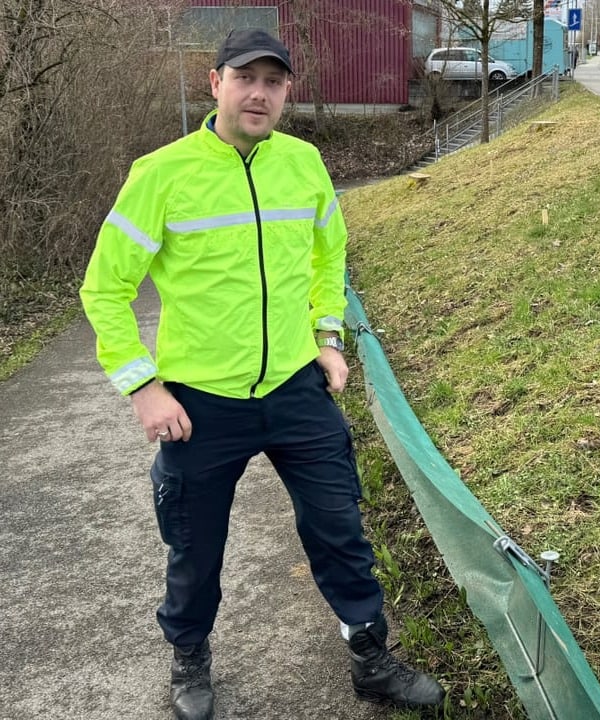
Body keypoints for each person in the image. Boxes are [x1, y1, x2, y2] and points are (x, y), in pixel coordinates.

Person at [79, 28, 445, 720]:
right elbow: (104, 289)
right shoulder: (160, 174)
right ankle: (189, 658)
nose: (259, 93)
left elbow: (326, 256)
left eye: (273, 82)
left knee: (340, 527)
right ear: (214, 83)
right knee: (195, 544)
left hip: (294, 389)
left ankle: (370, 656)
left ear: (287, 92)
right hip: (199, 402)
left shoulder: (304, 164)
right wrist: (142, 385)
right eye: (246, 78)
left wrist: (328, 339)